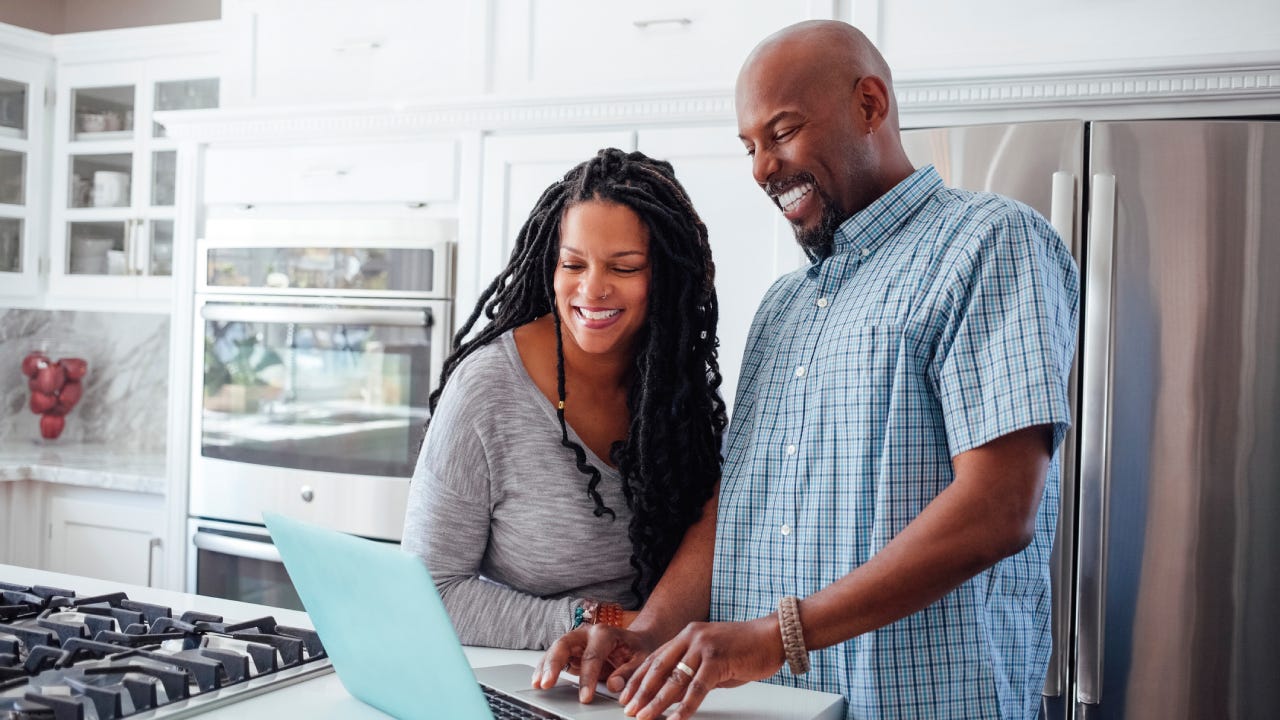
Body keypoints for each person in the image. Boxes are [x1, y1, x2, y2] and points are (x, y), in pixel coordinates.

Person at [534, 20, 1080, 720]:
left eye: (783, 132)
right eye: (750, 147)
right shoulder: (785, 304)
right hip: (768, 708)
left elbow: (999, 509)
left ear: (869, 106)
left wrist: (777, 636)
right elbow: (735, 504)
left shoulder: (988, 243)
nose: (763, 167)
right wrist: (643, 634)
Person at [402, 148, 728, 650]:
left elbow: (708, 536)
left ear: (666, 277)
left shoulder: (674, 387)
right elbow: (428, 592)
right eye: (573, 263)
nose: (591, 289)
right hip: (523, 681)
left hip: (650, 675)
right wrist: (606, 622)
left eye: (624, 267)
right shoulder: (486, 390)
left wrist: (642, 635)